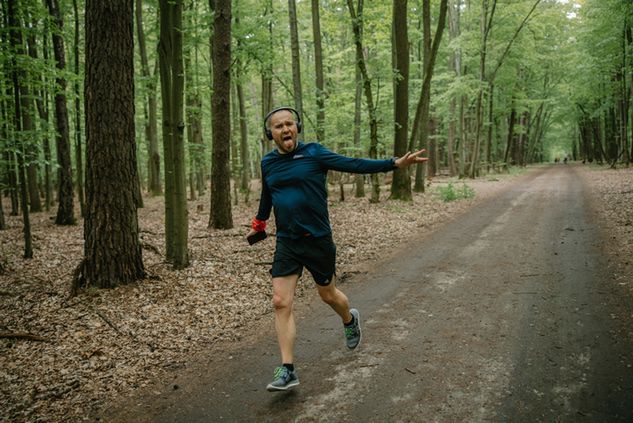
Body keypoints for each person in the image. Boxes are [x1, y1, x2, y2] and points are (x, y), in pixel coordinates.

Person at [247, 106, 427, 392]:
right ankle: (288, 369)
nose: (285, 130)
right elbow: (268, 195)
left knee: (328, 295)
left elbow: (353, 164)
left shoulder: (314, 153)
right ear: (271, 134)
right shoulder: (268, 163)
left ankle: (349, 318)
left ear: (298, 127)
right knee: (280, 301)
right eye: (279, 127)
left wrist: (394, 163)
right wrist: (260, 222)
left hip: (317, 239)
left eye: (289, 124)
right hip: (287, 242)